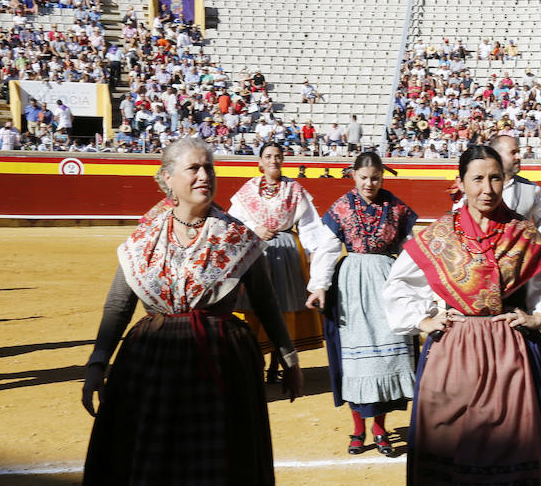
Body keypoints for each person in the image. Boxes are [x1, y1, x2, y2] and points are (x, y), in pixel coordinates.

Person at [82, 138, 303, 485]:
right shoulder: (145, 238)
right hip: (153, 361)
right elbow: (118, 306)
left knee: (221, 466)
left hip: (221, 359)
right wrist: (98, 362)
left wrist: (289, 357)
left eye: (209, 168)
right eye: (194, 168)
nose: (204, 176)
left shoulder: (236, 235)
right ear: (168, 178)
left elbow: (265, 300)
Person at [383, 145, 541, 485]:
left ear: (506, 180)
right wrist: (424, 320)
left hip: (512, 352)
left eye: (495, 178)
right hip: (452, 351)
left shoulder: (525, 234)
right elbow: (398, 285)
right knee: (448, 445)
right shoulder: (439, 235)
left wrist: (540, 318)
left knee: (513, 446)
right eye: (477, 179)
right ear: (460, 182)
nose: (486, 189)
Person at [305, 152, 419, 457]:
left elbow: (411, 250)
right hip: (350, 286)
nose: (370, 183)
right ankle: (358, 429)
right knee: (356, 359)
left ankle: (380, 428)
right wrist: (319, 285)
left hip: (387, 281)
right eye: (364, 177)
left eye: (376, 177)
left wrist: (416, 285)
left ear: (383, 176)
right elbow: (328, 249)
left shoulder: (396, 207)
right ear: (353, 175)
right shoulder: (342, 207)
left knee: (386, 353)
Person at [228, 142, 325, 382]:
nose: (273, 160)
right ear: (260, 162)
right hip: (255, 250)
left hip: (288, 253)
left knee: (282, 308)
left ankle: (277, 363)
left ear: (283, 160)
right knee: (255, 308)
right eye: (268, 156)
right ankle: (259, 361)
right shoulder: (248, 190)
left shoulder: (294, 189)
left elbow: (310, 224)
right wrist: (255, 229)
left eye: (278, 156)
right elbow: (234, 221)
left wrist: (313, 251)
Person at [456, 135, 541, 239]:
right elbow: (458, 218)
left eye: (518, 152)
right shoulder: (471, 186)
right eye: (513, 152)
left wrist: (535, 241)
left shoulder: (531, 189)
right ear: (497, 155)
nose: (519, 157)